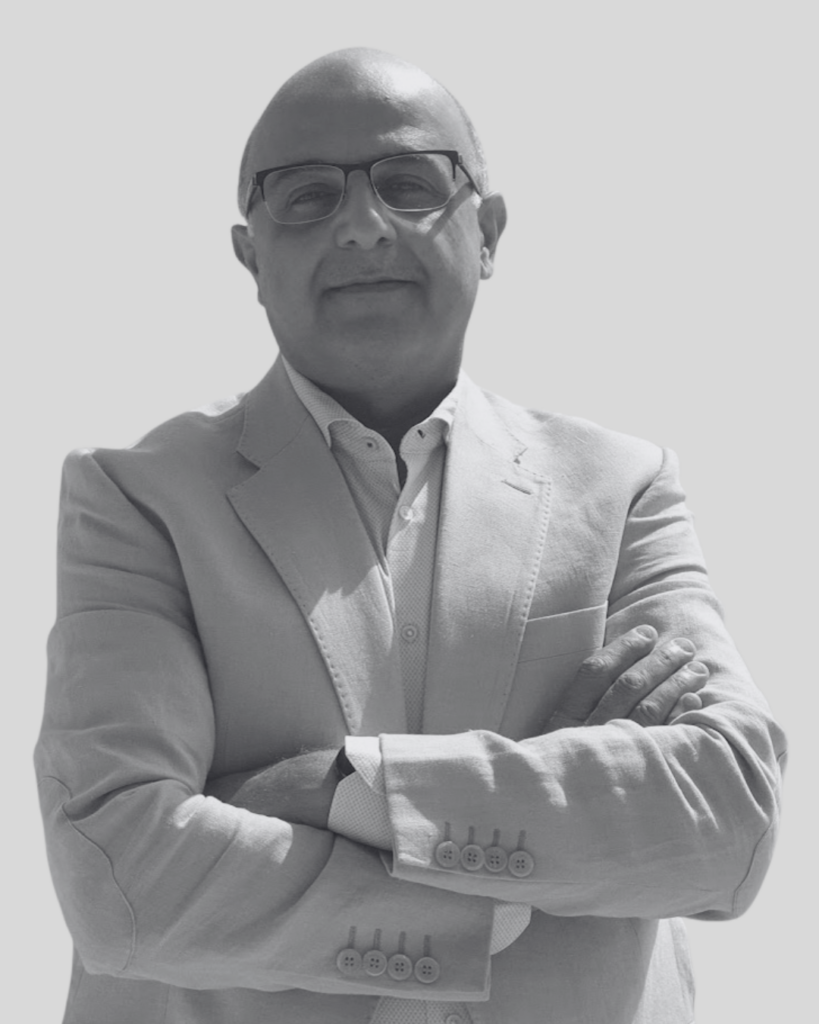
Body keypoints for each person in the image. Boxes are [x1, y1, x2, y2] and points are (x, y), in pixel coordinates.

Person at [34, 47, 786, 1024]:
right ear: (250, 256)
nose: (360, 224)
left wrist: (345, 788)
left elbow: (726, 822)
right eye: (306, 195)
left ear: (489, 231)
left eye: (408, 182)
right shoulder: (138, 500)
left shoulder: (622, 487)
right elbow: (120, 878)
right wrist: (513, 868)